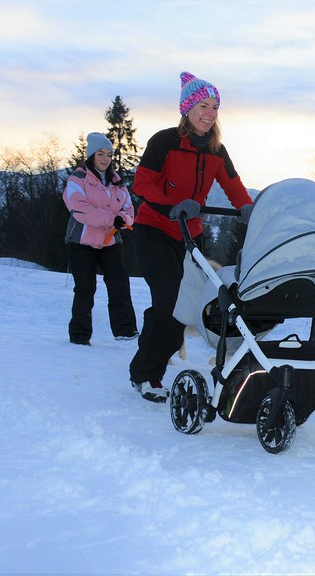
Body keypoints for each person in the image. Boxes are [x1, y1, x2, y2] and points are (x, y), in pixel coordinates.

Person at [128, 71, 253, 402]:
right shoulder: (164, 142)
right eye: (203, 105)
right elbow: (142, 184)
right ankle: (146, 375)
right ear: (187, 109)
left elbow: (234, 187)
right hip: (154, 229)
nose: (210, 113)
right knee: (169, 301)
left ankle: (151, 348)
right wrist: (173, 206)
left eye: (215, 106)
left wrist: (251, 211)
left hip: (189, 235)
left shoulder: (216, 150)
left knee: (184, 309)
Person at [62, 132, 138, 345]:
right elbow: (79, 208)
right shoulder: (77, 179)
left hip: (110, 242)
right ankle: (80, 336)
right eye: (101, 154)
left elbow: (128, 208)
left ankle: (126, 331)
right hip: (81, 243)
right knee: (85, 288)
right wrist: (112, 218)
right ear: (91, 156)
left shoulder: (117, 182)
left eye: (109, 154)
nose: (105, 159)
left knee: (119, 284)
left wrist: (123, 218)